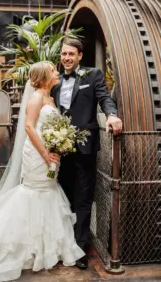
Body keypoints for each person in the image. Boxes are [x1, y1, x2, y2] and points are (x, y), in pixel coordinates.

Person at [0, 61, 85, 282]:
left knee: (49, 191)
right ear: (44, 76)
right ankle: (26, 246)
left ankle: (47, 248)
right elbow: (29, 127)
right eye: (53, 71)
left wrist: (58, 144)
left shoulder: (50, 97)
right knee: (33, 193)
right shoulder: (36, 97)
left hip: (49, 151)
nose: (57, 73)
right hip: (37, 154)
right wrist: (46, 153)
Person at [51, 37, 122, 270]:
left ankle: (79, 250)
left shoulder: (92, 76)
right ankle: (63, 244)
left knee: (83, 199)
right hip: (60, 150)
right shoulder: (56, 81)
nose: (67, 58)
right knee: (64, 198)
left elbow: (104, 99)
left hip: (85, 149)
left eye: (71, 54)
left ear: (80, 56)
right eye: (64, 54)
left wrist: (111, 115)